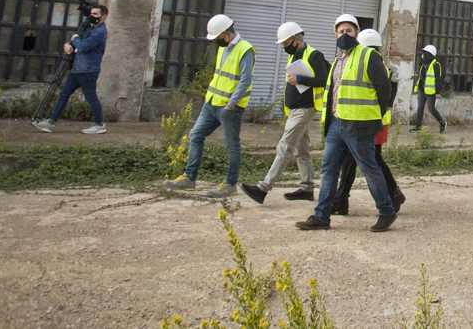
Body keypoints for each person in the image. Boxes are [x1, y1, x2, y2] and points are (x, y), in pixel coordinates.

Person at [296, 13, 396, 232]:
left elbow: (384, 89)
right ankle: (322, 216)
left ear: (357, 33)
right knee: (328, 169)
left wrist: (374, 113)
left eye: (348, 31)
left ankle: (387, 211)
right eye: (341, 31)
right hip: (336, 124)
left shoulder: (368, 55)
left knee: (369, 168)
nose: (344, 35)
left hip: (359, 125)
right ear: (336, 34)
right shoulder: (339, 59)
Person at [164, 14, 254, 197]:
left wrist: (231, 104)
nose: (216, 42)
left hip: (229, 108)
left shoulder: (245, 50)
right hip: (212, 103)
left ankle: (230, 184)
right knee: (195, 135)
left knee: (232, 145)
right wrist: (209, 98)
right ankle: (189, 179)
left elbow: (245, 81)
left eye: (217, 38)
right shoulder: (224, 47)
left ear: (227, 33)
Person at [240, 22, 329, 204]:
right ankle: (307, 188)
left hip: (306, 108)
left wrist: (300, 79)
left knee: (285, 146)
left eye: (286, 42)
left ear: (297, 39)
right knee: (301, 149)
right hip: (295, 109)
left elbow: (325, 79)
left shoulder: (314, 55)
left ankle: (263, 188)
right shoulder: (296, 55)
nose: (284, 46)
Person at [331, 28, 406, 216]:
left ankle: (393, 194)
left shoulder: (369, 62)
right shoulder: (378, 62)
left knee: (371, 160)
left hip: (370, 119)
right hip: (366, 119)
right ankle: (342, 199)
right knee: (356, 159)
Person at [32, 4, 109, 134]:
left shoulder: (100, 32)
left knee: (90, 97)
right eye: (91, 13)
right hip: (77, 68)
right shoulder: (90, 29)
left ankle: (100, 124)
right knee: (64, 94)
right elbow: (76, 38)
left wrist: (75, 39)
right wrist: (68, 43)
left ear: (103, 16)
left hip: (88, 69)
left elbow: (83, 46)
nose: (92, 16)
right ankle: (50, 123)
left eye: (95, 14)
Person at [411, 44, 445, 133]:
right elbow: (424, 76)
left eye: (425, 53)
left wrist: (437, 92)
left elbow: (437, 80)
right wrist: (418, 75)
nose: (423, 55)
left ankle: (442, 123)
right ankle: (418, 127)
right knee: (420, 108)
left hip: (430, 91)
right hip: (422, 89)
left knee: (431, 109)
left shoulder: (435, 65)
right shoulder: (424, 64)